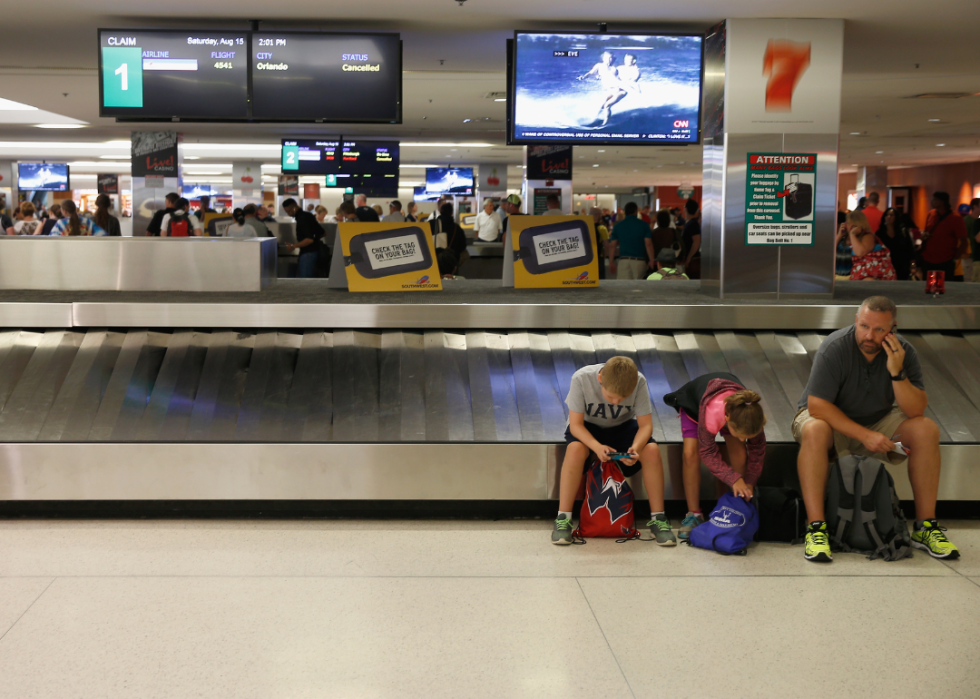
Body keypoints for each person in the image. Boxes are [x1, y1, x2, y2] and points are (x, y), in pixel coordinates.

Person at [793, 296, 959, 562]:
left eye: (879, 329)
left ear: (893, 328)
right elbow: (817, 406)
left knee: (926, 430)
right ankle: (816, 528)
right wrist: (864, 435)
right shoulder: (835, 347)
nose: (869, 336)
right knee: (815, 430)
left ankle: (925, 527)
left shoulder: (903, 351)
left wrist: (897, 372)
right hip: (828, 420)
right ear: (856, 321)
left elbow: (916, 410)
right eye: (863, 326)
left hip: (878, 419)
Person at [552, 356, 676, 546]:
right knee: (575, 449)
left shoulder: (639, 381)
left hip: (623, 427)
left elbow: (645, 426)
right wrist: (596, 446)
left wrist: (635, 448)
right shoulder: (581, 378)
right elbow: (576, 425)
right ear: (600, 378)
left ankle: (658, 518)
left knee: (650, 450)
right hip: (587, 427)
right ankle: (563, 518)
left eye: (623, 399)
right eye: (610, 397)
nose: (617, 403)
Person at [664, 372, 767, 540]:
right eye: (740, 434)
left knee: (740, 452)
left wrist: (749, 481)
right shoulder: (711, 413)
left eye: (747, 436)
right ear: (726, 419)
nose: (743, 439)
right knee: (690, 454)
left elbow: (757, 450)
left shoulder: (752, 415)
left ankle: (736, 506)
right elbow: (708, 452)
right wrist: (734, 479)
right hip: (695, 406)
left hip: (734, 412)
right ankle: (694, 514)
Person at [920, 191, 967, 280]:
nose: (932, 201)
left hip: (945, 260)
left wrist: (954, 259)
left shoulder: (955, 218)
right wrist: (924, 237)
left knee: (944, 287)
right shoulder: (931, 214)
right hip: (927, 259)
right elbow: (926, 232)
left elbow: (964, 242)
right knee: (927, 286)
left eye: (934, 199)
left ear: (942, 202)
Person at [840, 210, 896, 281]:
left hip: (874, 276)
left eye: (848, 223)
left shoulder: (867, 236)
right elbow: (832, 252)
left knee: (868, 281)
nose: (846, 225)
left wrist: (852, 234)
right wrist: (839, 235)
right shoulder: (850, 237)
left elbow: (860, 252)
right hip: (860, 276)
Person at [607, 201, 653, 280]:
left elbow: (612, 246)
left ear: (625, 212)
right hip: (639, 261)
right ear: (636, 211)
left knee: (623, 289)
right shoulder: (644, 225)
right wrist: (652, 260)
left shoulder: (618, 226)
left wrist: (611, 262)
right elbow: (648, 244)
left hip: (623, 261)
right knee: (639, 289)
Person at [282, 198, 323, 278]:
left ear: (294, 208)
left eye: (288, 211)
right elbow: (322, 233)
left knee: (305, 282)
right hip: (315, 252)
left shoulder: (302, 219)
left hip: (308, 254)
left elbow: (309, 240)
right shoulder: (308, 215)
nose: (288, 214)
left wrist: (293, 246)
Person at [878, 207, 914, 280]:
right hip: (885, 266)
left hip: (902, 265)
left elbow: (910, 248)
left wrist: (912, 265)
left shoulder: (902, 232)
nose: (888, 217)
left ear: (896, 217)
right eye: (887, 215)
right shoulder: (880, 233)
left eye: (891, 215)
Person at [681, 198, 701, 279]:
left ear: (686, 209)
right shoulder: (689, 223)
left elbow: (696, 242)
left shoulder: (693, 224)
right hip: (690, 258)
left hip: (693, 259)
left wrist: (688, 258)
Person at [590, 207, 610, 279]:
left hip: (587, 258)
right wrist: (605, 256)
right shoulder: (602, 228)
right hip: (598, 257)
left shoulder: (585, 227)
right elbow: (606, 245)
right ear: (597, 215)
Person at [965, 198, 980, 283]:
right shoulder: (968, 220)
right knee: (972, 282)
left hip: (974, 256)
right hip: (971, 256)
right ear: (975, 207)